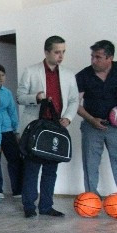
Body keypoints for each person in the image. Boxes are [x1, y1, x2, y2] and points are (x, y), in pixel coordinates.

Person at [17, 35, 79, 218]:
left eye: (63, 52)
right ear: (46, 52)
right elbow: (20, 97)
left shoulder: (68, 74)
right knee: (32, 168)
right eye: (57, 52)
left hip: (57, 126)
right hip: (36, 126)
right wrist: (35, 97)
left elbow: (74, 100)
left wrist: (68, 118)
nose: (61, 56)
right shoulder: (31, 71)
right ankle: (29, 206)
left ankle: (46, 206)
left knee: (51, 169)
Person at [75, 40, 117, 195]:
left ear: (109, 58)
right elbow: (75, 104)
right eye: (92, 56)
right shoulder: (83, 75)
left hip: (115, 128)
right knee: (90, 165)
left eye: (98, 57)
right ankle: (91, 200)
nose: (93, 60)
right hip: (91, 125)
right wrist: (91, 119)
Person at [0, 64, 23, 199]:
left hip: (7, 129)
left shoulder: (7, 92)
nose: (1, 78)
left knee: (14, 159)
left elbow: (12, 111)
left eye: (3, 75)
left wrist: (16, 130)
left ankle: (17, 190)